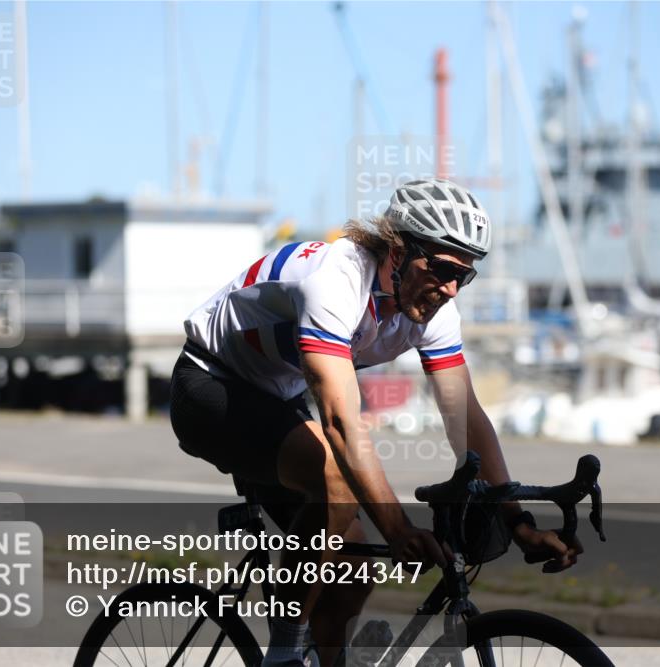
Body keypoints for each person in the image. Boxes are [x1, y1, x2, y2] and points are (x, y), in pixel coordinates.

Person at [169, 178, 582, 667]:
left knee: (353, 572)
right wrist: (398, 527)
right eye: (443, 268)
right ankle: (282, 653)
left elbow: (466, 418)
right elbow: (342, 425)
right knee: (336, 481)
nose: (450, 289)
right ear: (397, 249)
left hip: (277, 400)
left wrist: (518, 521)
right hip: (210, 385)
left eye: (463, 276)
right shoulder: (334, 279)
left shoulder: (432, 310)